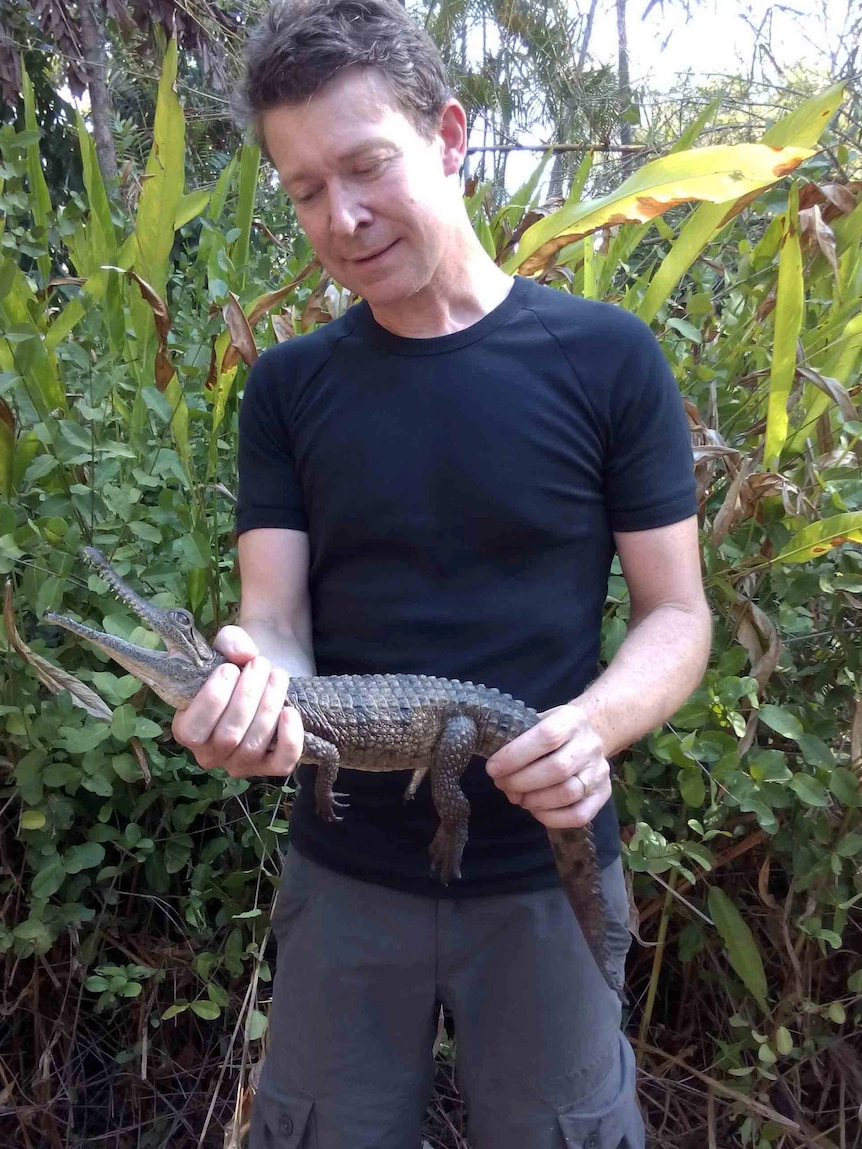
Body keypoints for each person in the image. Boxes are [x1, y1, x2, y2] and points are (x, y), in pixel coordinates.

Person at [172, 1, 712, 1145]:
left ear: (450, 136)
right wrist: (251, 690)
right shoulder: (287, 390)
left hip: (542, 867)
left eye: (366, 166)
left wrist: (593, 727)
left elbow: (676, 615)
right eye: (306, 190)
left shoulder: (606, 358)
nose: (343, 216)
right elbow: (273, 620)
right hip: (345, 879)